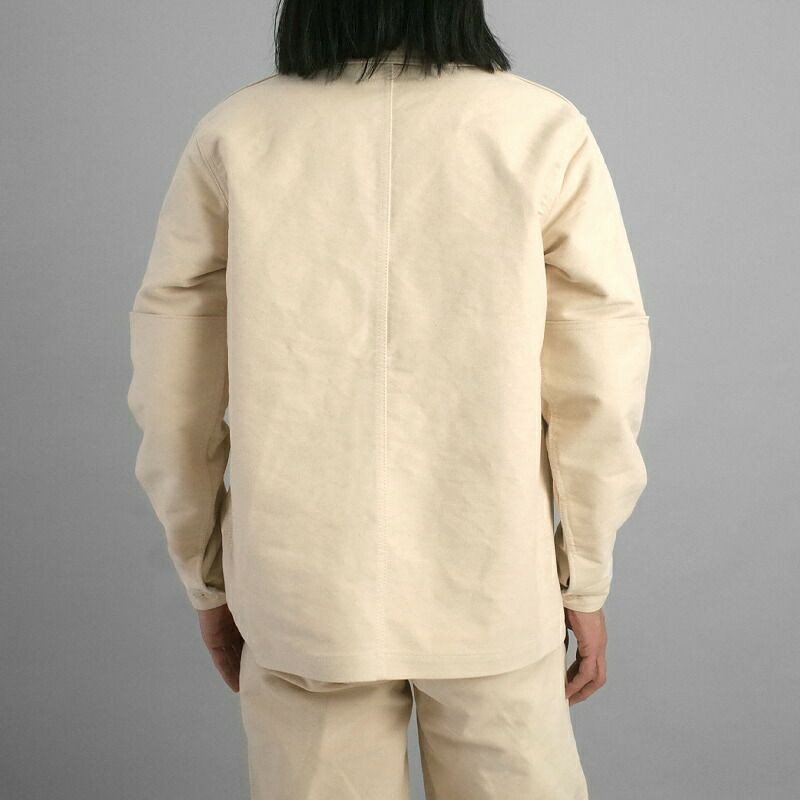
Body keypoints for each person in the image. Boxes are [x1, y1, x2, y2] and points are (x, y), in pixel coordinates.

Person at [127, 0, 651, 796]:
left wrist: (206, 573)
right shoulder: (540, 130)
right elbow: (600, 381)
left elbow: (175, 392)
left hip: (304, 594)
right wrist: (584, 576)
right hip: (494, 585)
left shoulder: (237, 134)